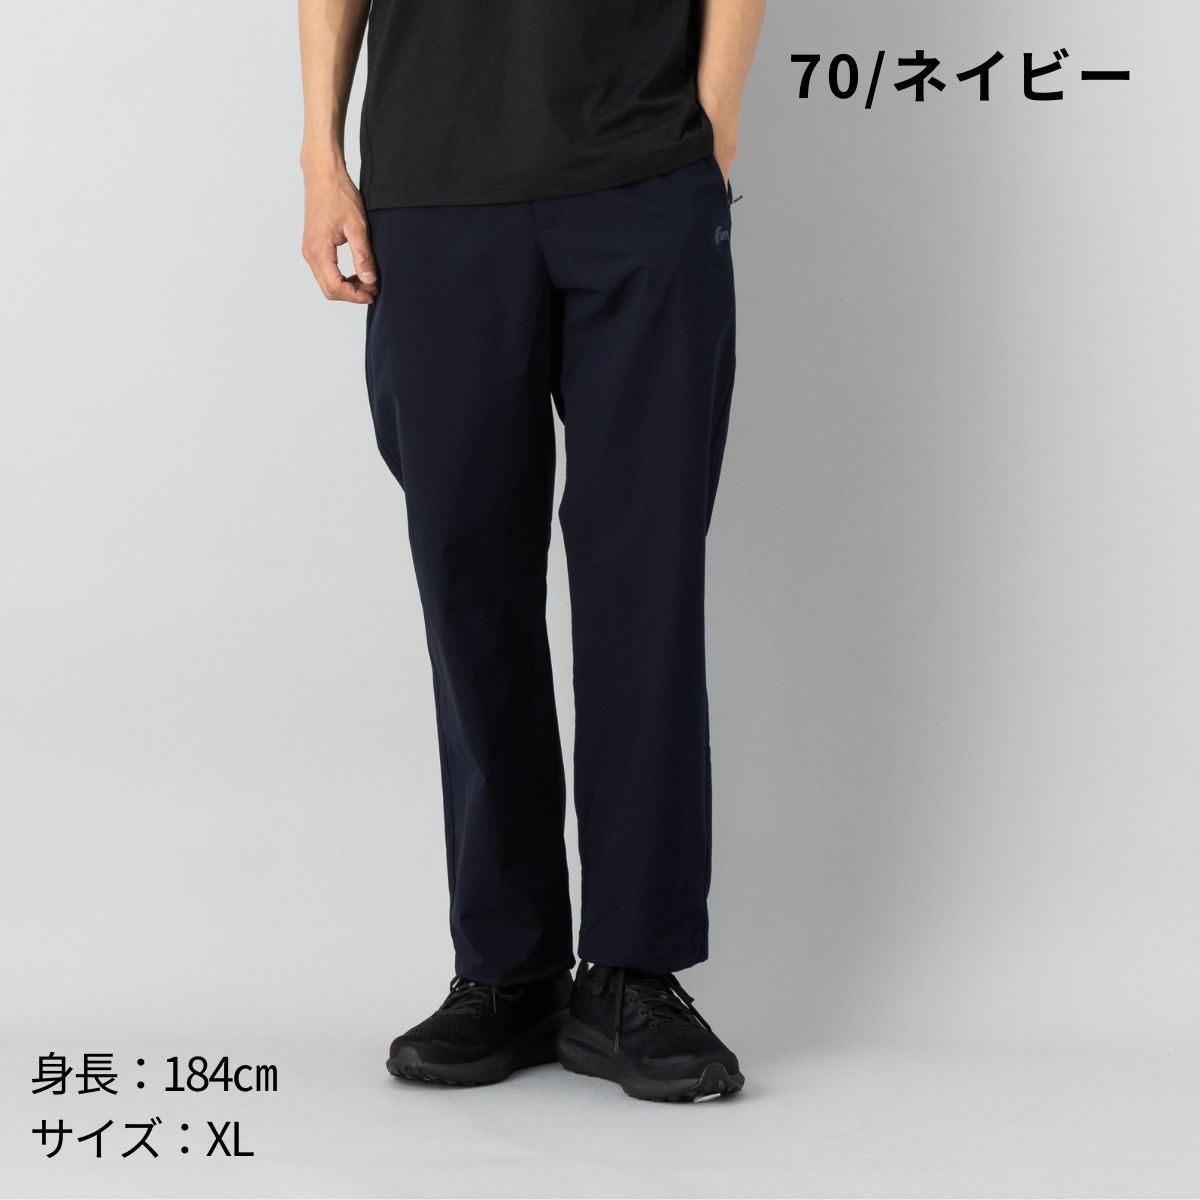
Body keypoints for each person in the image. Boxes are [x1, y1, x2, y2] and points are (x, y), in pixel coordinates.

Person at [298, 0, 765, 1103]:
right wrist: (321, 155)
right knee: (469, 582)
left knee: (645, 585)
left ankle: (634, 971)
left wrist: (709, 130)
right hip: (433, 185)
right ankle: (506, 968)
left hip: (642, 174)